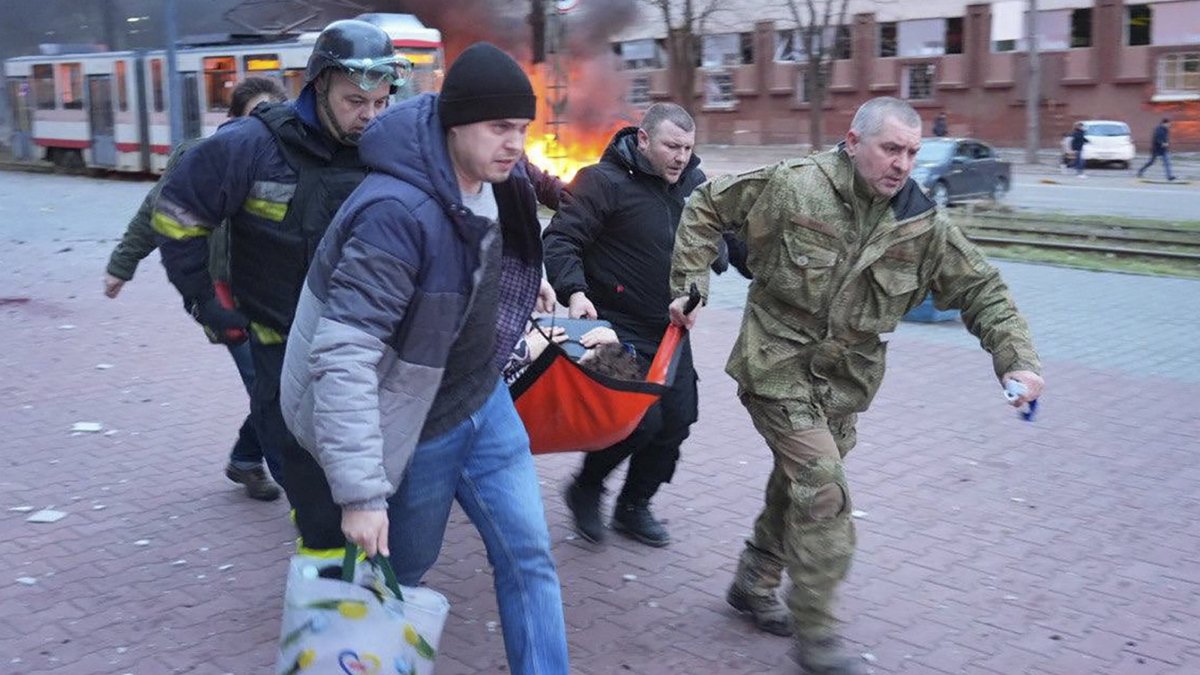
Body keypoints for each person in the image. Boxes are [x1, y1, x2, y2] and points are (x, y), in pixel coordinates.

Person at [666, 96, 1044, 673]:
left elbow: (982, 290)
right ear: (852, 142)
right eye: (891, 148)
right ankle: (816, 638)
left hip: (845, 386)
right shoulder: (795, 186)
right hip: (776, 364)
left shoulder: (922, 225)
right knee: (823, 489)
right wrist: (692, 284)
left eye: (912, 152)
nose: (902, 163)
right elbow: (705, 205)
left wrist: (1015, 359)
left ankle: (753, 582)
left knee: (796, 483)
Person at [278, 42, 569, 673]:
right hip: (417, 422)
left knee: (529, 558)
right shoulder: (394, 214)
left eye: (522, 128)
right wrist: (359, 495)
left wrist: (534, 277)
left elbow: (499, 246)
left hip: (482, 399)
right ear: (454, 123)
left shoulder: (502, 173)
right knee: (393, 577)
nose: (515, 143)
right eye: (500, 128)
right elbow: (344, 356)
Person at [152, 20, 407, 499]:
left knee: (372, 468)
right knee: (303, 476)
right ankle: (322, 552)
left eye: (381, 102)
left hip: (369, 346)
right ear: (319, 85)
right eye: (355, 101)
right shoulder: (248, 146)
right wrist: (203, 300)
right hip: (282, 346)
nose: (370, 117)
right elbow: (176, 217)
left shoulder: (395, 145)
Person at [104, 76, 287, 501]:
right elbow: (156, 211)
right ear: (234, 118)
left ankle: (244, 459)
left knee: (275, 388)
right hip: (223, 298)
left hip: (274, 296)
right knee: (271, 392)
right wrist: (121, 265)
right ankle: (305, 502)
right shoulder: (201, 157)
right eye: (257, 112)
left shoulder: (286, 160)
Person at [543, 102, 705, 548]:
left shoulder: (695, 185)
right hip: (612, 327)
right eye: (672, 146)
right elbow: (560, 240)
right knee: (639, 420)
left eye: (688, 148)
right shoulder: (602, 182)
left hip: (671, 329)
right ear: (644, 140)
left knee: (676, 421)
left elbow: (722, 238)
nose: (680, 157)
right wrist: (574, 291)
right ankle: (587, 487)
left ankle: (634, 506)